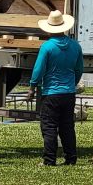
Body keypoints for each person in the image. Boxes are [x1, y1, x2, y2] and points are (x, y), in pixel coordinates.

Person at [30, 10, 84, 166]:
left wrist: (33, 86)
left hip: (51, 93)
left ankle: (49, 160)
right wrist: (72, 84)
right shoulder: (75, 46)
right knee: (67, 126)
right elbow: (79, 69)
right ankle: (71, 158)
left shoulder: (47, 47)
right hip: (69, 93)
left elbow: (38, 69)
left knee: (49, 126)